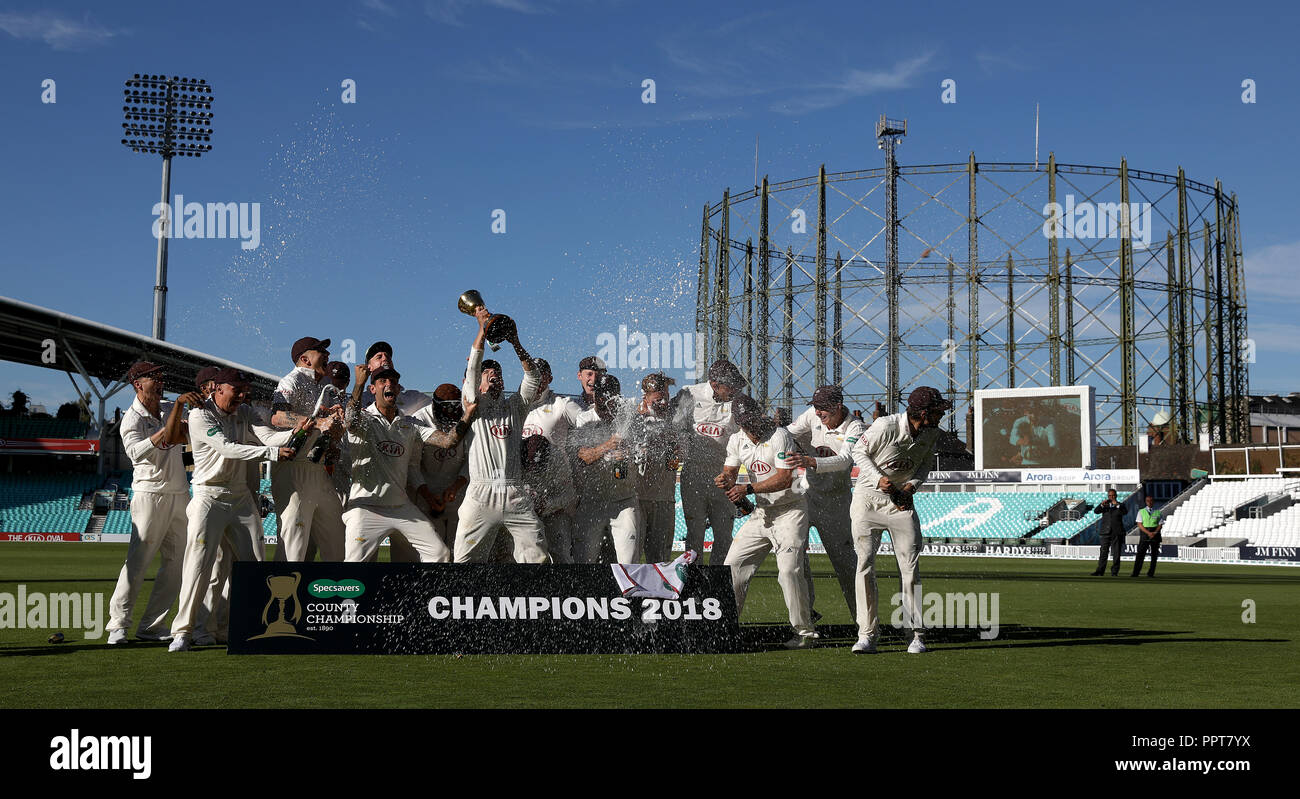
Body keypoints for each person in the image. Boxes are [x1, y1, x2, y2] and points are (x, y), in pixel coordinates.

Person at [169, 369, 307, 652]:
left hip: (240, 496)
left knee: (254, 565)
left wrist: (302, 429)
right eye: (237, 390)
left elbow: (267, 436)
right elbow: (228, 449)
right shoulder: (200, 414)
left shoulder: (243, 411)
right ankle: (182, 632)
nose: (243, 397)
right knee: (198, 565)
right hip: (209, 496)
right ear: (217, 389)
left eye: (246, 391)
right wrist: (271, 454)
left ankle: (252, 626)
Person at [106, 362, 204, 645]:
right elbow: (136, 453)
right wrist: (167, 430)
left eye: (161, 377)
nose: (160, 382)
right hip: (149, 494)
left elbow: (187, 429)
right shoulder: (132, 418)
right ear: (138, 384)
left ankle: (151, 626)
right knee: (138, 563)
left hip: (180, 494)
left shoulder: (166, 408)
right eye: (153, 378)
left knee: (177, 563)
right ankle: (118, 625)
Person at [848, 387, 950, 655]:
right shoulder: (885, 425)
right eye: (939, 410)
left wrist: (910, 488)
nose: (943, 414)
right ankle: (867, 634)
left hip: (900, 503)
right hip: (868, 500)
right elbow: (858, 452)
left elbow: (925, 464)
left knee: (910, 567)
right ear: (924, 413)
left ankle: (916, 634)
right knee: (865, 565)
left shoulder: (932, 432)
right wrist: (876, 478)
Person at [341, 365, 474, 563]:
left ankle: (425, 595)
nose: (389, 385)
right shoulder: (365, 420)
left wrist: (468, 414)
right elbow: (350, 422)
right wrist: (358, 384)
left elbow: (448, 441)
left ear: (398, 389)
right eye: (382, 381)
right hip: (366, 507)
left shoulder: (410, 424)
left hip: (401, 507)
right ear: (373, 389)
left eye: (393, 382)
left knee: (440, 554)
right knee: (355, 564)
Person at [715, 394, 816, 649]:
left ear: (760, 414)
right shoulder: (736, 440)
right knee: (732, 568)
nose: (752, 427)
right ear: (739, 422)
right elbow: (728, 472)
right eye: (745, 422)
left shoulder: (780, 435)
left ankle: (804, 632)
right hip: (762, 513)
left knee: (788, 572)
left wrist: (746, 488)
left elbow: (784, 478)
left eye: (754, 419)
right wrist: (724, 480)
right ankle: (724, 627)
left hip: (790, 511)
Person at [452, 307, 551, 563]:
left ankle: (534, 601)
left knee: (537, 556)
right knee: (465, 560)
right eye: (487, 373)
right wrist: (482, 330)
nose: (494, 374)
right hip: (481, 493)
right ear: (478, 382)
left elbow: (533, 375)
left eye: (498, 372)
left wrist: (515, 341)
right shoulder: (474, 405)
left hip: (515, 491)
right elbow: (472, 368)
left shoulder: (515, 407)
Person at [783, 384, 864, 620]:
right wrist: (788, 442)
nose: (817, 412)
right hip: (807, 497)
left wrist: (809, 460)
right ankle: (806, 615)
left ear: (837, 406)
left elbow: (845, 459)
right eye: (815, 407)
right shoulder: (811, 416)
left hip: (837, 504)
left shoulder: (855, 426)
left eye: (822, 408)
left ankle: (863, 622)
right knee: (794, 556)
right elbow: (787, 433)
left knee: (847, 567)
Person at [268, 336, 347, 562]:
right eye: (321, 351)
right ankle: (282, 595)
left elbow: (326, 425)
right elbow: (278, 417)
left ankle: (342, 595)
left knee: (339, 542)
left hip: (319, 471)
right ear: (305, 359)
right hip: (293, 470)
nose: (328, 356)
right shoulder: (289, 381)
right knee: (294, 549)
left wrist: (334, 426)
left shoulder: (324, 385)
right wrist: (318, 421)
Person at [673, 359, 744, 565]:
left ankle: (716, 584)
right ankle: (693, 583)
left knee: (724, 536)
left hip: (724, 475)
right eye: (730, 386)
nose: (735, 390)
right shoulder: (689, 394)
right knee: (694, 535)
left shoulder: (739, 401)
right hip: (693, 474)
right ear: (714, 384)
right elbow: (672, 427)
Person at [571, 373, 643, 563]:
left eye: (610, 399)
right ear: (595, 396)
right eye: (601, 398)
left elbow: (644, 456)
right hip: (592, 499)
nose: (606, 404)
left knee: (628, 563)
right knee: (584, 560)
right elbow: (583, 457)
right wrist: (608, 446)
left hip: (624, 500)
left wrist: (631, 455)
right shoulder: (584, 418)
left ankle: (629, 592)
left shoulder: (631, 419)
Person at [521, 359, 584, 563]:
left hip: (557, 488)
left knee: (561, 554)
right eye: (532, 375)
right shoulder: (516, 406)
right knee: (525, 555)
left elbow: (588, 423)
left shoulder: (562, 404)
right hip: (525, 494)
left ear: (549, 378)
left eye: (541, 376)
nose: (537, 380)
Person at [407, 384, 471, 553]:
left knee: (459, 551)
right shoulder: (419, 419)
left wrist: (455, 487)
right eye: (446, 411)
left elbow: (472, 460)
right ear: (435, 406)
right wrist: (428, 496)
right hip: (426, 494)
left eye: (454, 410)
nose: (451, 415)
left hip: (458, 494)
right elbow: (412, 465)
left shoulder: (467, 417)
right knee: (432, 553)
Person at [635, 373, 680, 564]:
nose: (663, 402)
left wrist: (674, 447)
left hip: (664, 498)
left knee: (660, 560)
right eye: (658, 399)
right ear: (646, 396)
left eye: (666, 397)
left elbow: (677, 459)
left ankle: (659, 595)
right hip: (635, 499)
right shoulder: (632, 416)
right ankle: (628, 594)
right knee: (631, 557)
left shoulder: (675, 419)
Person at [1091, 488, 1126, 576]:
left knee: (1116, 553)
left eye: (1113, 495)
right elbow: (1096, 511)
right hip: (1105, 532)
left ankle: (1114, 572)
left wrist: (1117, 505)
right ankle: (1100, 571)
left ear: (1116, 496)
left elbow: (1125, 512)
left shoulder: (1121, 505)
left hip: (1117, 532)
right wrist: (1102, 505)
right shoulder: (1105, 506)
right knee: (1103, 552)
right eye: (1110, 495)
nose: (1111, 497)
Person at [1132, 494, 1163, 577]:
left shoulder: (1158, 512)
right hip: (1145, 535)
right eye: (1148, 501)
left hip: (1155, 535)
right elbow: (1139, 524)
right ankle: (1135, 573)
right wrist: (1148, 533)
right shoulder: (1141, 511)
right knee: (1140, 555)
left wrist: (1154, 532)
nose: (1149, 502)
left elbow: (1160, 524)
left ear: (1153, 502)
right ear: (1145, 502)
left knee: (1154, 556)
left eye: (1151, 501)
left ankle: (1151, 573)